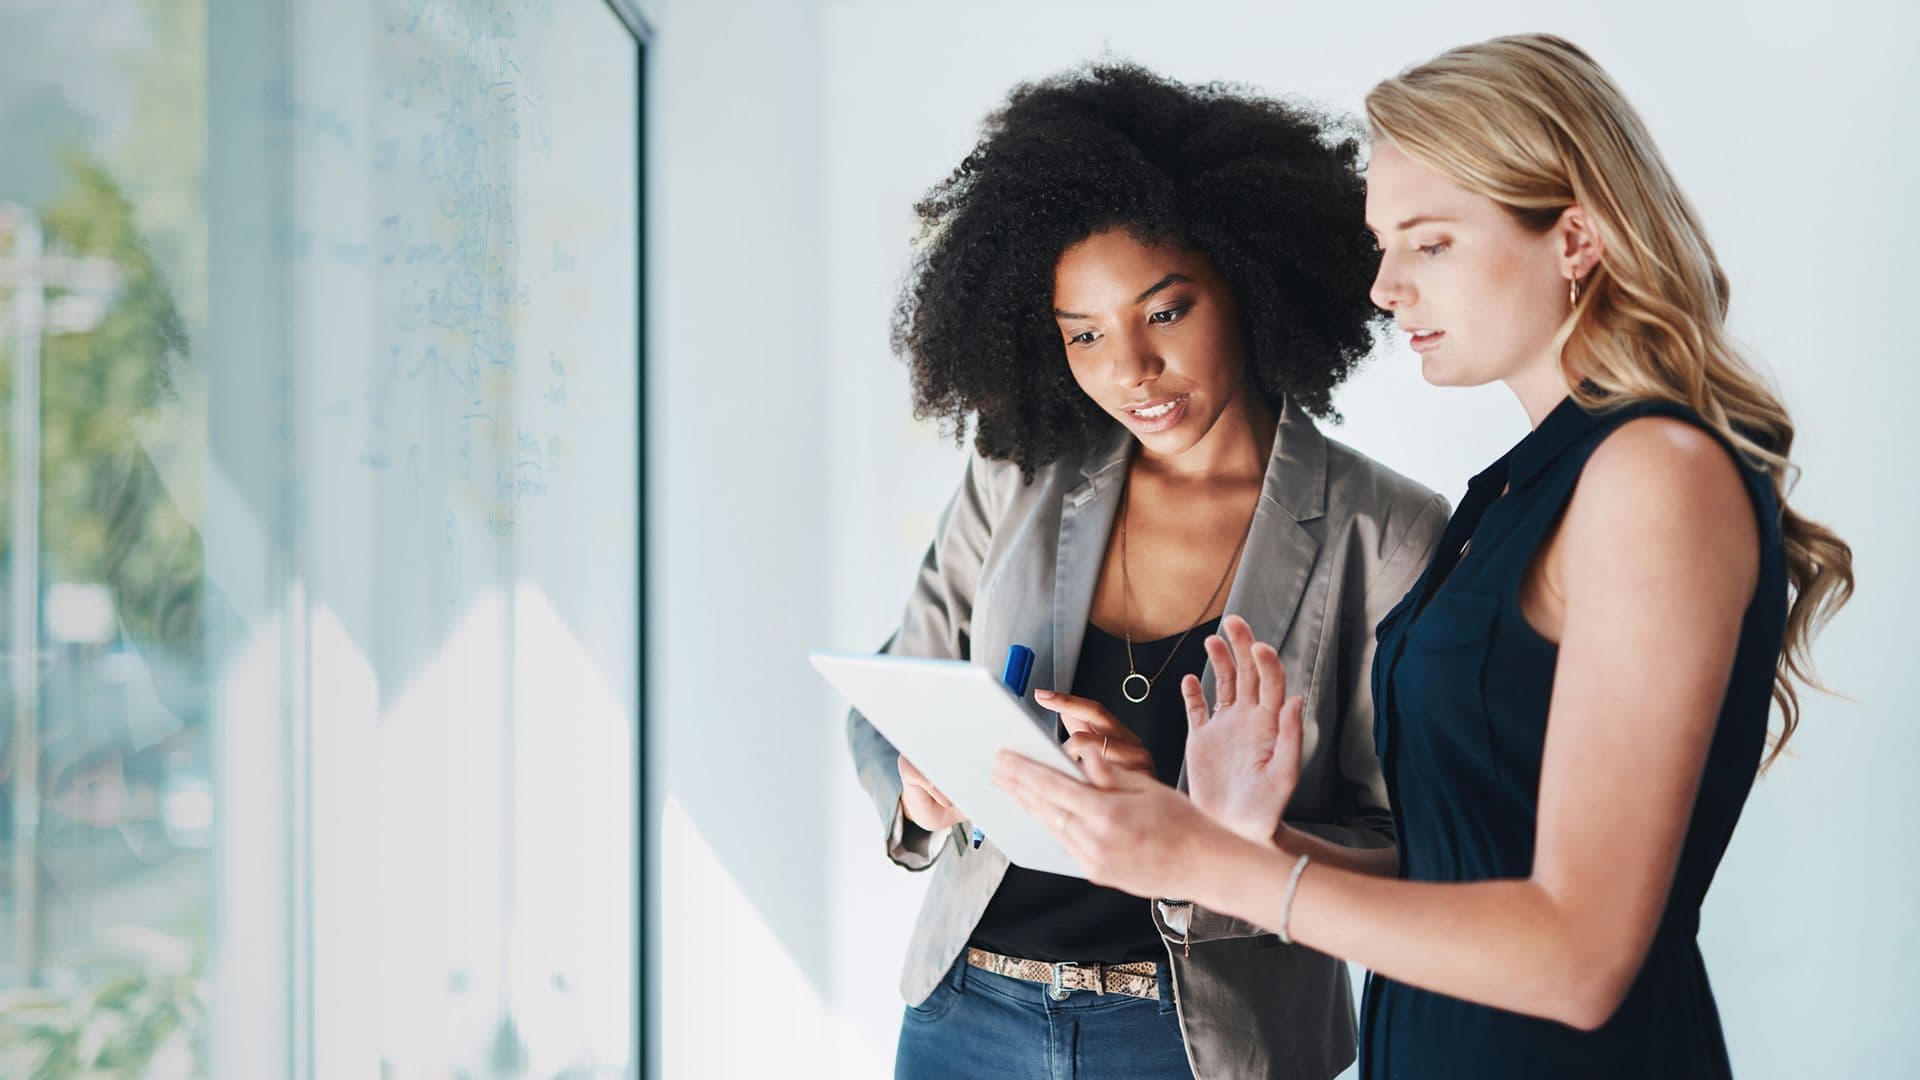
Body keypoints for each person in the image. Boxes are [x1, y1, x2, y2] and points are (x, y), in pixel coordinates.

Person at [994, 34, 1855, 1080]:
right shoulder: (1514, 492)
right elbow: (1463, 875)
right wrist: (1239, 837)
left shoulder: (1653, 476)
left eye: (1429, 244)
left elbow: (1580, 959)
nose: (1384, 287)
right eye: (1381, 245)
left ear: (1575, 238)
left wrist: (1213, 867)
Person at [844, 64, 1447, 1079]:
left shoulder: (1384, 532)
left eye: (1165, 312)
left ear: (1248, 281)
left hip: (1202, 1040)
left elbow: (1406, 844)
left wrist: (1182, 818)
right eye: (1084, 334)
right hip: (966, 1018)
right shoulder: (1019, 472)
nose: (1129, 368)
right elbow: (893, 693)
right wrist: (919, 797)